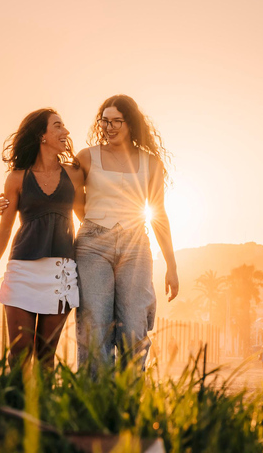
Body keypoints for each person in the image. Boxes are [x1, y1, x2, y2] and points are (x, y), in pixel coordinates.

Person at [74, 95, 179, 372]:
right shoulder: (87, 157)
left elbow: (158, 213)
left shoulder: (150, 163)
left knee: (134, 325)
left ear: (130, 123)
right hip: (92, 246)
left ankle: (129, 399)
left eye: (116, 121)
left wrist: (171, 265)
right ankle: (94, 400)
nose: (109, 127)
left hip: (136, 246)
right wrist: (96, 228)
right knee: (95, 323)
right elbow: (71, 199)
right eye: (105, 121)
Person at [0, 108, 85, 369]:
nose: (66, 132)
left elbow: (86, 214)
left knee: (45, 356)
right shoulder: (17, 178)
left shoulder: (74, 174)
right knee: (19, 352)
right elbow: (5, 228)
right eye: (58, 126)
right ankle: (14, 406)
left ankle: (44, 410)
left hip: (61, 272)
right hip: (22, 271)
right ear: (43, 135)